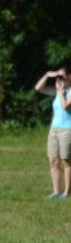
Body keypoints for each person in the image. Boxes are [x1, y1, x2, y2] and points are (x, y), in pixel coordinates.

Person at [35, 65, 70, 199]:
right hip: (54, 130)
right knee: (54, 160)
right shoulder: (56, 91)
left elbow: (66, 106)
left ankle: (67, 192)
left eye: (62, 76)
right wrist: (47, 75)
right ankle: (56, 191)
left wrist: (61, 91)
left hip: (68, 130)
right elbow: (38, 88)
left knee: (66, 161)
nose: (59, 79)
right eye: (58, 76)